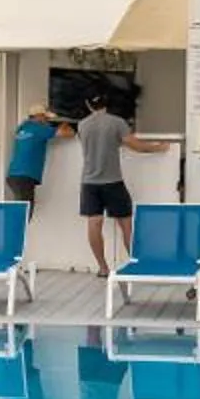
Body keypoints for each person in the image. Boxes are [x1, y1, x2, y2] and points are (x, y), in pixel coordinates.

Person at [75, 93, 167, 275]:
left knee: (94, 224)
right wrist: (159, 147)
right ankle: (136, 263)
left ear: (88, 105)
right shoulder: (117, 123)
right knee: (126, 224)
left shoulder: (82, 125)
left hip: (89, 182)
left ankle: (103, 268)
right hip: (112, 181)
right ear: (106, 103)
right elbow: (136, 146)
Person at [5, 105, 68, 205]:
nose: (47, 120)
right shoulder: (39, 129)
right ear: (38, 116)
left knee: (22, 208)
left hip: (14, 175)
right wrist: (64, 123)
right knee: (26, 210)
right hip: (25, 176)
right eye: (45, 117)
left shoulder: (22, 127)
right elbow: (67, 133)